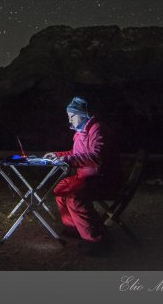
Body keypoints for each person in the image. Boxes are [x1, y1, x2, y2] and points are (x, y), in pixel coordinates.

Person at [44, 96, 122, 255]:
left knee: (74, 196)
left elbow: (96, 156)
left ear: (82, 113)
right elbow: (76, 154)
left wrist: (67, 159)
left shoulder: (97, 129)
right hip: (87, 177)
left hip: (103, 179)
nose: (70, 120)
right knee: (61, 189)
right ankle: (74, 228)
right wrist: (57, 155)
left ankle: (95, 240)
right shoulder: (80, 132)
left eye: (72, 116)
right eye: (68, 117)